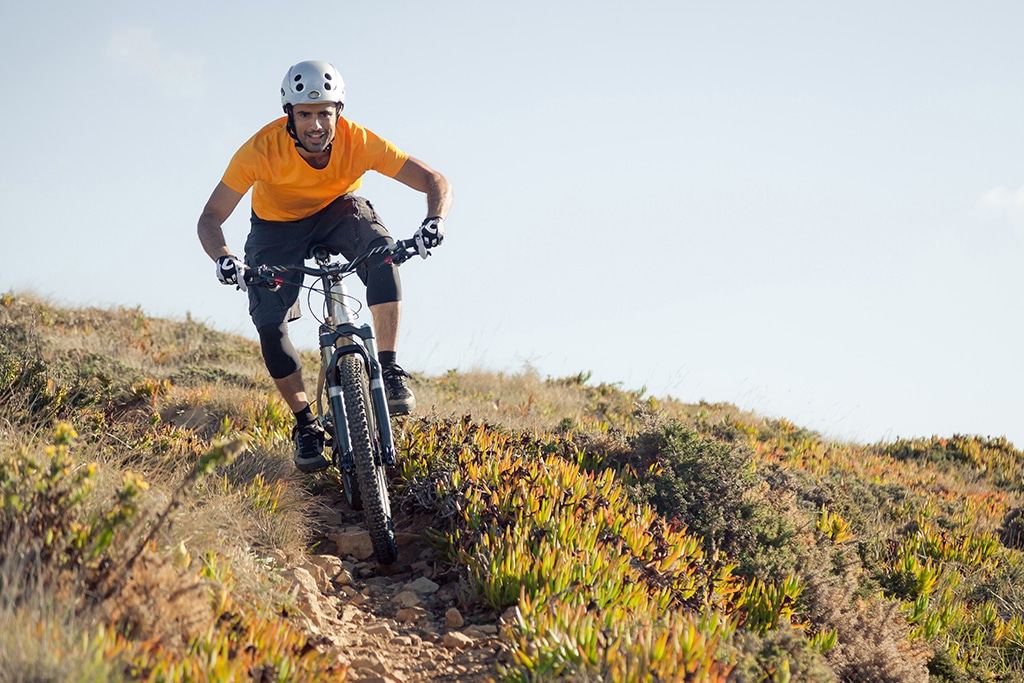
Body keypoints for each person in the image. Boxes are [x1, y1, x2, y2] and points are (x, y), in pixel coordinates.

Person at [197, 60, 452, 473]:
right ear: (289, 116)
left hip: (340, 210)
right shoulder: (259, 150)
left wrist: (434, 220)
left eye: (324, 114)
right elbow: (210, 218)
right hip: (277, 227)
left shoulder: (360, 141)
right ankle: (306, 424)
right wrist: (225, 259)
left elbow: (435, 180)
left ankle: (387, 369)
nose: (316, 125)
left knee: (383, 253)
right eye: (304, 115)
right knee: (268, 319)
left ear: (339, 113)